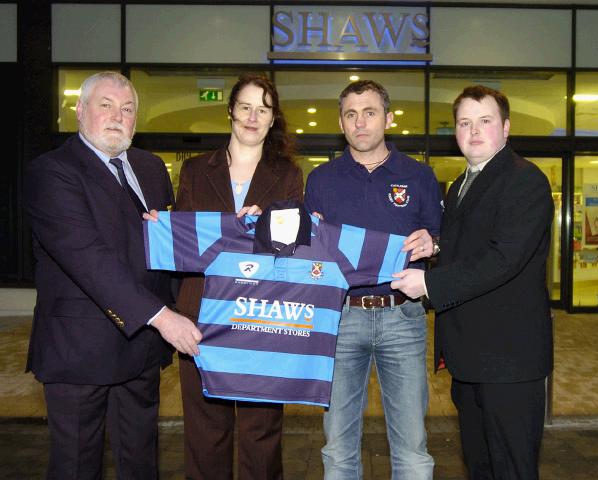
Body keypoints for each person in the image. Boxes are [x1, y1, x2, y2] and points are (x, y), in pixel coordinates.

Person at [24, 71, 201, 480]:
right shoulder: (52, 172)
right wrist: (163, 317)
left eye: (127, 108)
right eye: (105, 105)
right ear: (81, 111)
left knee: (141, 462)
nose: (117, 116)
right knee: (76, 467)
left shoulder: (151, 167)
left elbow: (167, 250)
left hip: (141, 348)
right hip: (80, 352)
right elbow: (86, 256)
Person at [392, 85, 554, 480]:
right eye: (465, 123)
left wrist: (430, 284)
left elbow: (504, 258)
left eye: (485, 121)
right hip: (471, 360)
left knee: (512, 468)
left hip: (509, 362)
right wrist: (436, 244)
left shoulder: (525, 181)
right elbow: (474, 243)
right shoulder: (461, 184)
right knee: (480, 465)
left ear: (506, 127)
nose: (474, 131)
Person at [304, 80, 441, 480]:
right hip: (341, 318)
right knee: (338, 446)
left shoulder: (419, 177)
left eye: (369, 112)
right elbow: (309, 254)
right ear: (341, 123)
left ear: (388, 118)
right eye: (351, 114)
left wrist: (434, 244)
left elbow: (438, 241)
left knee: (412, 445)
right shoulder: (321, 180)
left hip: (403, 318)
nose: (360, 122)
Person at [173, 74, 303, 480]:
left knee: (260, 431)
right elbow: (182, 242)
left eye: (262, 109)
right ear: (230, 110)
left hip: (262, 314)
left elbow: (294, 248)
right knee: (205, 430)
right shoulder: (195, 170)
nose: (252, 116)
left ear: (272, 119)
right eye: (245, 106)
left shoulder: (288, 173)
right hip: (201, 313)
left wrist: (264, 230)